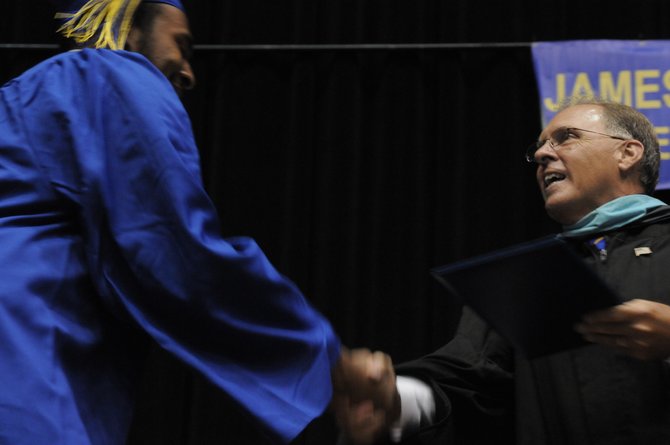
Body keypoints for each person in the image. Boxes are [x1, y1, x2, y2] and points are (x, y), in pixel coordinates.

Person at [0, 1, 389, 444]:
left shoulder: (21, 100)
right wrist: (329, 362)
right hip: (20, 364)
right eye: (180, 46)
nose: (188, 73)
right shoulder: (107, 74)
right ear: (126, 29)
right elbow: (174, 251)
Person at [333, 97, 670, 444]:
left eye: (567, 137)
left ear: (627, 153)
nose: (541, 155)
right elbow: (469, 382)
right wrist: (393, 398)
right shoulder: (528, 278)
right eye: (539, 147)